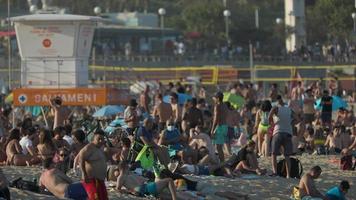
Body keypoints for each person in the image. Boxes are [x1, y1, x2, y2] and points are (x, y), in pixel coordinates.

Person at [269, 95, 297, 178]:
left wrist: (272, 124)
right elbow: (298, 119)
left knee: (274, 154)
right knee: (287, 156)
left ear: (277, 101)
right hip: (288, 133)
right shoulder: (289, 110)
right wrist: (291, 123)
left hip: (278, 132)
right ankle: (288, 175)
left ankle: (275, 172)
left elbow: (269, 117)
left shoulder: (275, 108)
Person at [77, 129, 108, 200]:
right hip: (91, 180)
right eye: (99, 139)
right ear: (94, 138)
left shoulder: (100, 148)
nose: (101, 141)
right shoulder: (89, 147)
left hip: (100, 180)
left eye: (102, 139)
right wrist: (84, 174)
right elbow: (80, 159)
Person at [211, 92, 229, 162]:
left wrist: (212, 130)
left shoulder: (217, 106)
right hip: (225, 126)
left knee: (218, 147)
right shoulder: (225, 105)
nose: (213, 99)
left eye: (214, 98)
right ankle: (221, 161)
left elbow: (216, 119)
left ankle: (222, 162)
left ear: (218, 98)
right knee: (219, 147)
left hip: (219, 127)